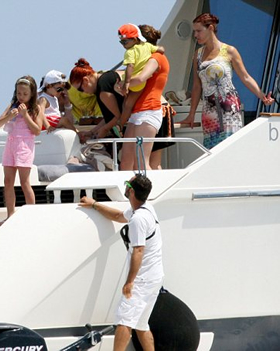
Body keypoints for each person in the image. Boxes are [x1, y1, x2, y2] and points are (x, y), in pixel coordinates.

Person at [79, 174, 164, 351]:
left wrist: (130, 281)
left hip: (142, 280)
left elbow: (139, 250)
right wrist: (94, 204)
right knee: (141, 325)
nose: (125, 187)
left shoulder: (138, 219)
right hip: (154, 277)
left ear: (131, 191)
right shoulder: (146, 209)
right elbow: (118, 216)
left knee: (124, 320)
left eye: (126, 184)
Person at [178, 13, 274, 149]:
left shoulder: (229, 51)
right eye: (194, 31)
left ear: (210, 28)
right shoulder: (197, 55)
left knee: (230, 147)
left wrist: (262, 96)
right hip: (208, 111)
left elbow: (245, 77)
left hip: (229, 108)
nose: (195, 35)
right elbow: (196, 86)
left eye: (199, 31)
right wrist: (191, 114)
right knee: (211, 151)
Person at [0, 76, 43, 223]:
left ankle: (31, 216)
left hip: (24, 146)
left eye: (25, 94)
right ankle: (10, 215)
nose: (21, 97)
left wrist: (25, 115)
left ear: (32, 94)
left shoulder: (36, 109)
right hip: (11, 145)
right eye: (19, 93)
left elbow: (37, 130)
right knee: (8, 181)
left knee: (24, 182)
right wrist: (9, 116)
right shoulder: (12, 106)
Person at [116, 36, 170, 171]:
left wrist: (123, 84)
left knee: (142, 163)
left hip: (150, 110)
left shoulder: (156, 58)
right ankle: (128, 191)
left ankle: (151, 191)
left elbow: (141, 79)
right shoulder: (144, 60)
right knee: (126, 163)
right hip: (138, 112)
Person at [69, 58, 124, 142]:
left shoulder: (103, 90)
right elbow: (109, 117)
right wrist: (91, 132)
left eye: (81, 89)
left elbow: (118, 117)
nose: (84, 92)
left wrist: (104, 130)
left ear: (85, 81)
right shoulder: (105, 80)